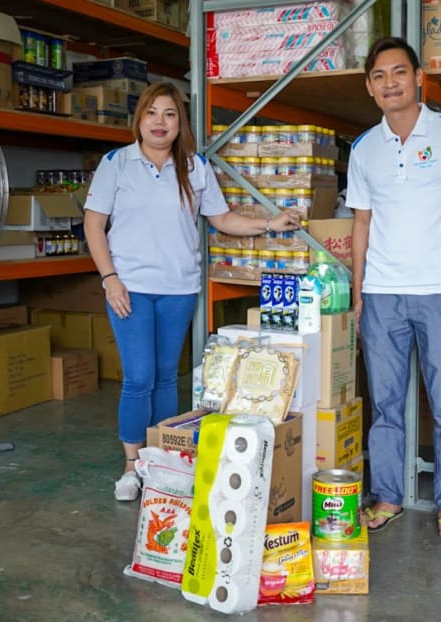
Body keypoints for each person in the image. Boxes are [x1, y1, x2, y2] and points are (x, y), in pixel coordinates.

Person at [84, 82, 300, 501]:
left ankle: (165, 461)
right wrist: (109, 278)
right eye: (152, 113)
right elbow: (94, 225)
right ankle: (131, 467)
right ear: (139, 120)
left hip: (179, 288)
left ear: (180, 122)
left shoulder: (194, 166)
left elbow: (222, 219)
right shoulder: (117, 163)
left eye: (169, 114)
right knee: (139, 377)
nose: (159, 122)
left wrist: (269, 223)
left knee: (168, 376)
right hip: (130, 287)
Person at [347, 38, 441, 541]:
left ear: (418, 78)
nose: (389, 83)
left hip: (440, 290)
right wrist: (359, 292)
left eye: (399, 72)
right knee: (385, 405)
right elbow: (361, 224)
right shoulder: (364, 148)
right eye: (379, 76)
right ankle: (388, 496)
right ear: (369, 87)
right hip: (383, 293)